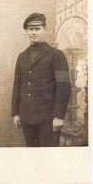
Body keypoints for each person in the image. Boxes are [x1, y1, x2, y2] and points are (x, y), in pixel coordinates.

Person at [12, 13, 71, 147]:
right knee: (32, 155)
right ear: (27, 31)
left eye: (37, 29)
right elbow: (17, 86)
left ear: (45, 29)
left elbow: (64, 87)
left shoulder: (57, 55)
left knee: (48, 155)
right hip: (26, 115)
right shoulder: (21, 57)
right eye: (31, 29)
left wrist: (59, 116)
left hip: (48, 117)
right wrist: (16, 113)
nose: (34, 32)